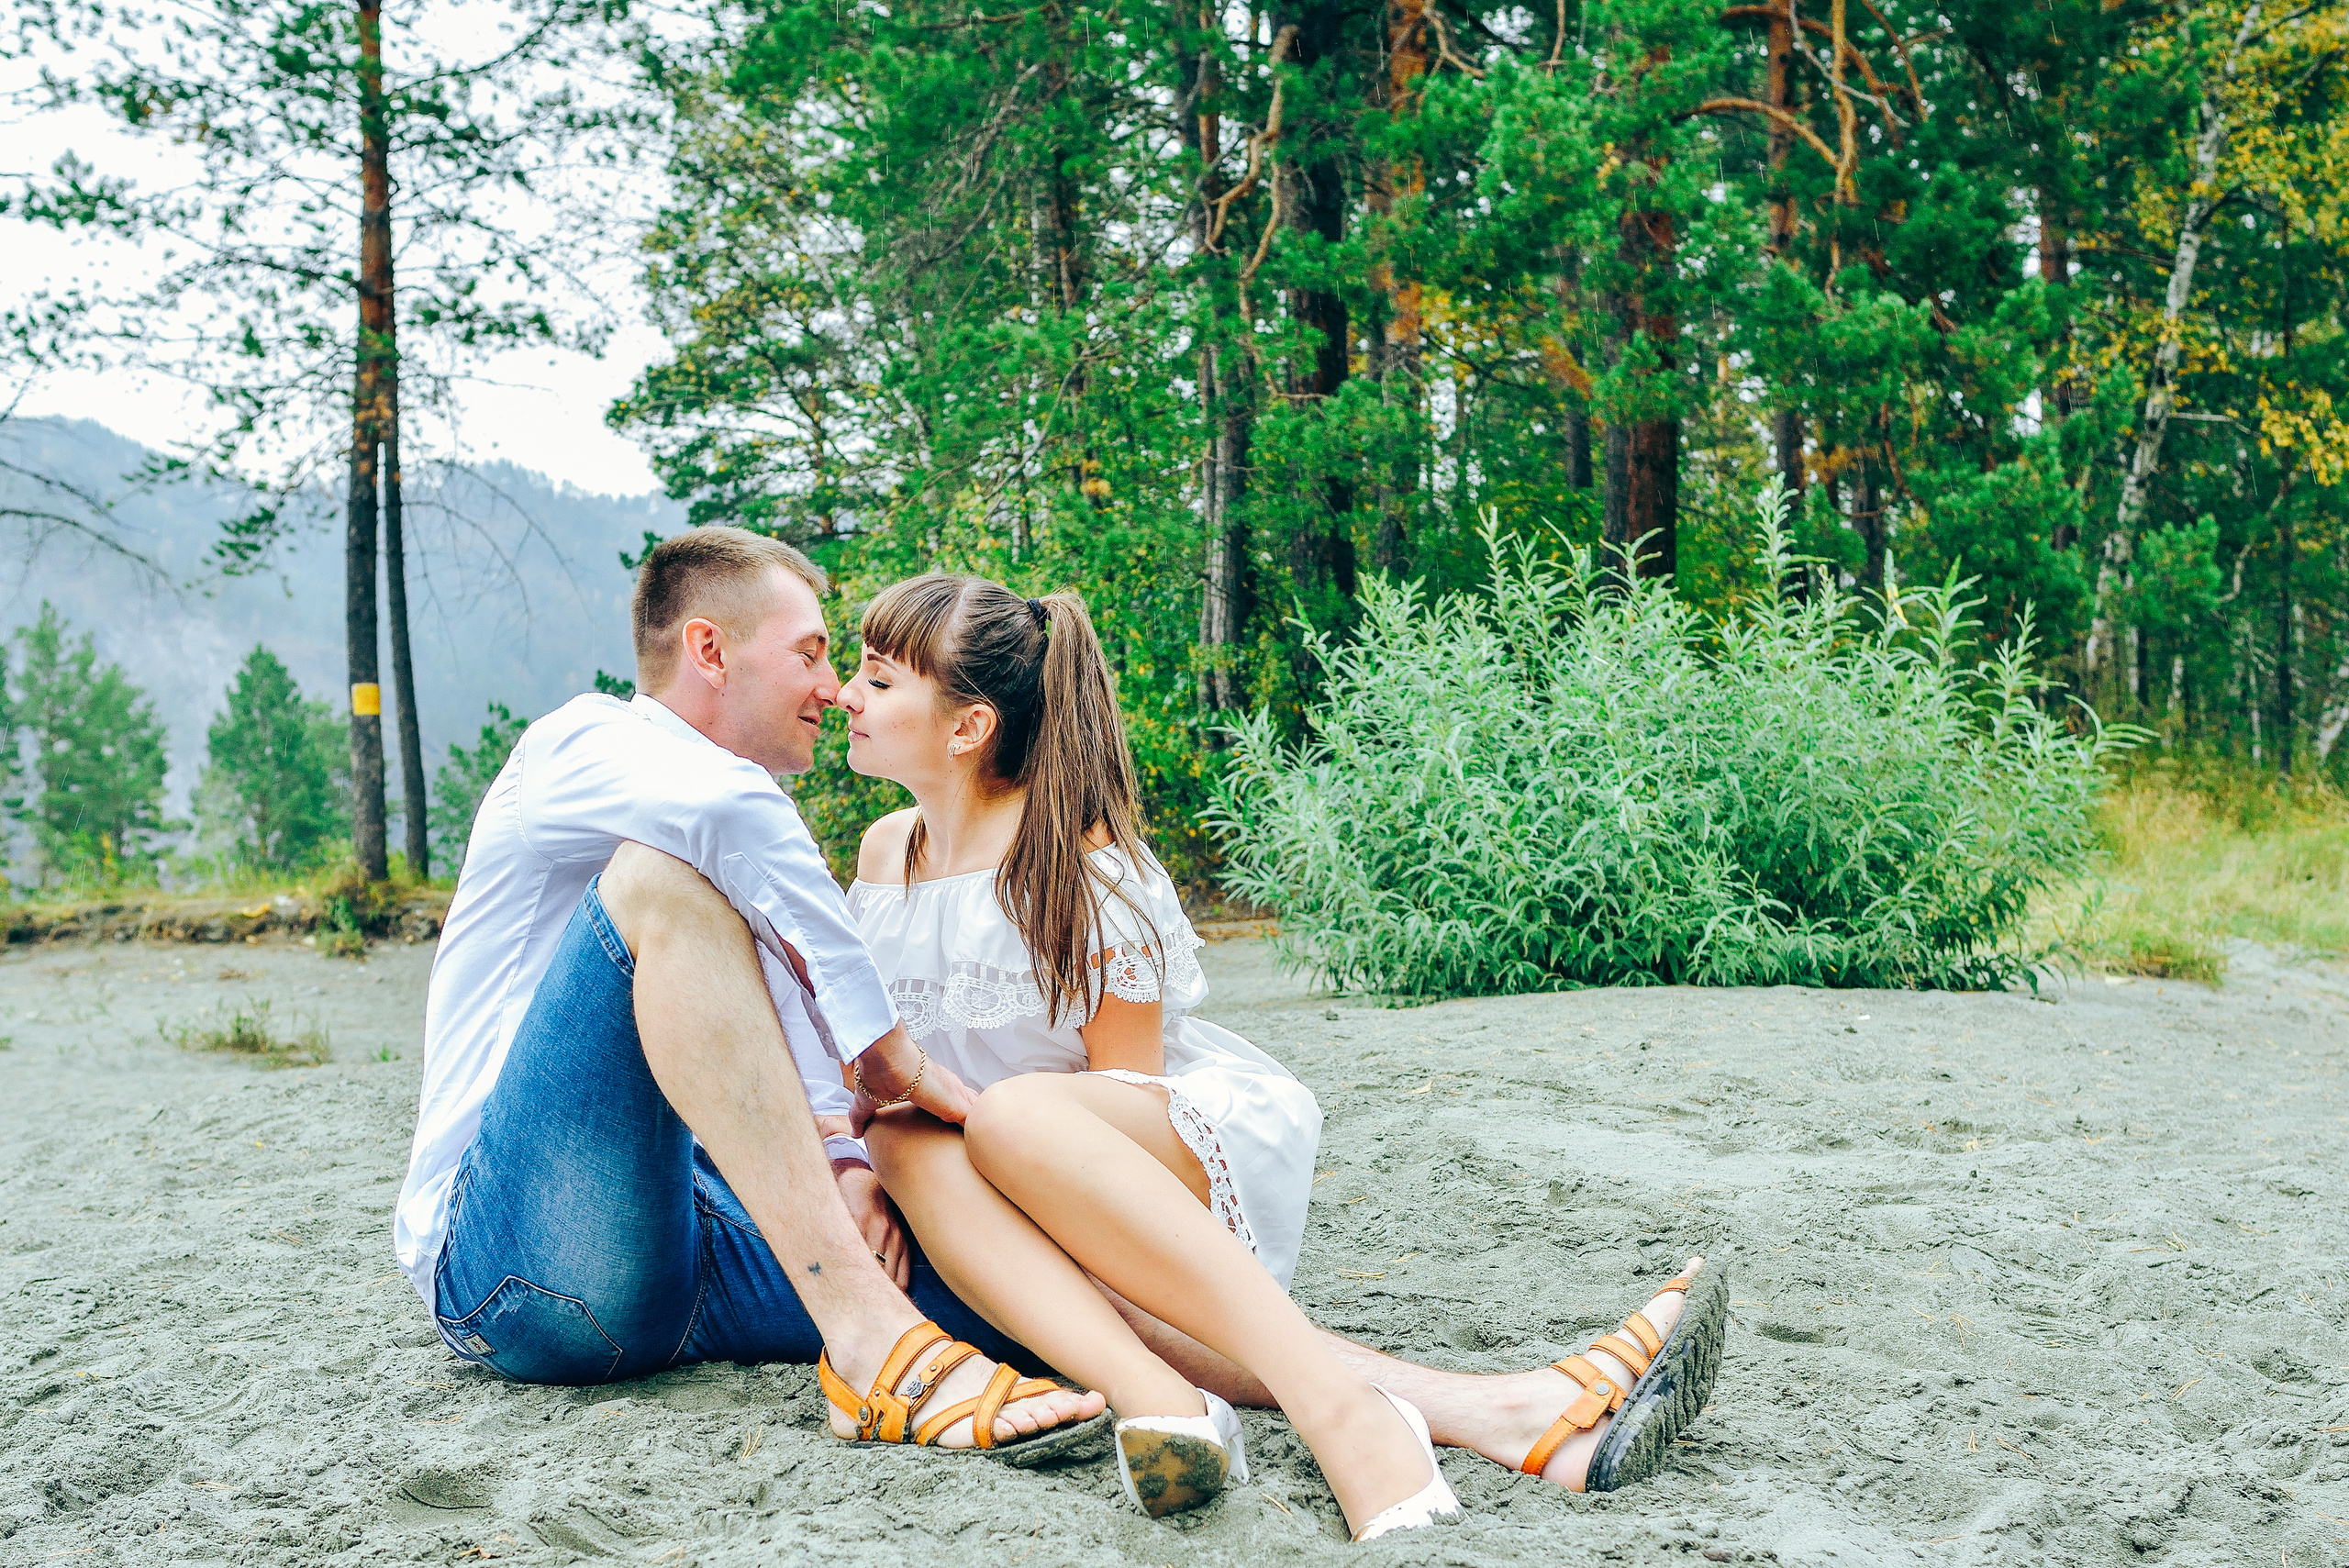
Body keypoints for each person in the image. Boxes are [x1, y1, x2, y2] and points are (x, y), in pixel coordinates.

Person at [836, 573, 1730, 1540]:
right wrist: (867, 1169)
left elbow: (1131, 1088)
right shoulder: (888, 853)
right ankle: (1498, 1412)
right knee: (897, 1132)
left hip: (1134, 1156)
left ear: (967, 728)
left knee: (1012, 1111)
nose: (846, 692)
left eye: (879, 680)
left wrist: (1011, 1167)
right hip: (980, 1179)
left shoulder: (1082, 866)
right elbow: (877, 1067)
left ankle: (1347, 1410)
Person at [391, 528, 1106, 1455]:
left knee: (1031, 1285)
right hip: (519, 1266)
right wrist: (886, 1049)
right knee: (660, 882)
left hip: (684, 1259)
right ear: (708, 649)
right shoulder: (576, 746)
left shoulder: (742, 828)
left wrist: (847, 1158)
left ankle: (1331, 1377)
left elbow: (768, 1021)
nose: (833, 688)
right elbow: (724, 810)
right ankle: (867, 1339)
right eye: (810, 653)